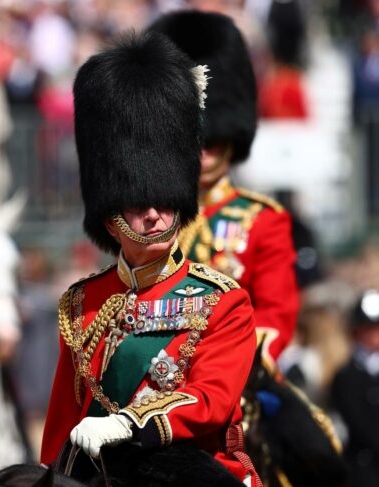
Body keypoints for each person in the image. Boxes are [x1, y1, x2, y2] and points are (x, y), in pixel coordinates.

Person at [40, 32, 258, 486]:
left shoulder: (223, 301)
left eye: (164, 200)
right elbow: (62, 423)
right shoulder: (83, 302)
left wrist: (130, 423)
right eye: (139, 203)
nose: (155, 214)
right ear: (111, 212)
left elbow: (210, 400)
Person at [148, 11, 299, 370]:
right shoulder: (147, 215)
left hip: (234, 374)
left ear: (233, 139)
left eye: (215, 140)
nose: (205, 151)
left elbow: (276, 314)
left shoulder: (262, 219)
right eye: (196, 139)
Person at [331, 290, 379, 487]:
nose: (375, 335)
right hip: (365, 469)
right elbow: (358, 422)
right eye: (368, 329)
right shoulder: (347, 376)